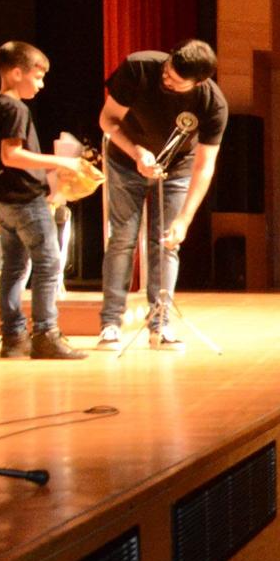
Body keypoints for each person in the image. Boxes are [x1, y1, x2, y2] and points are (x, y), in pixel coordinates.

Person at [93, 40, 228, 351]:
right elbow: (107, 120)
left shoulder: (213, 104)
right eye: (168, 71)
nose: (166, 79)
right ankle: (111, 324)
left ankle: (161, 324)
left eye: (176, 81)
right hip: (126, 159)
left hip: (178, 167)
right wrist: (136, 152)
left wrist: (185, 219)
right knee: (122, 239)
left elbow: (205, 167)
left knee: (167, 241)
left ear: (199, 82)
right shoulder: (139, 67)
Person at [0, 43, 88, 360]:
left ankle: (13, 338)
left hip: (1, 200)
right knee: (48, 264)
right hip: (24, 200)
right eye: (37, 77)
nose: (40, 85)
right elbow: (11, 155)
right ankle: (46, 334)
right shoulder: (15, 108)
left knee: (12, 267)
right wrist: (61, 162)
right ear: (16, 73)